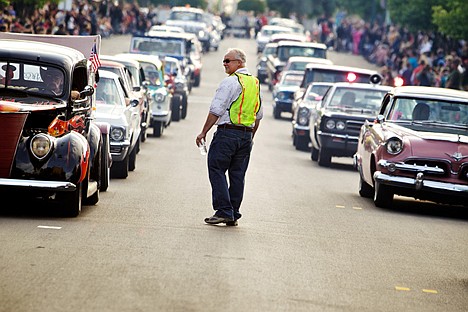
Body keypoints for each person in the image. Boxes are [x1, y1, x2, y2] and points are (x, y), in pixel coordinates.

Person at [195, 48, 263, 226]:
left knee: (216, 168)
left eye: (228, 61)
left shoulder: (230, 82)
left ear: (239, 63)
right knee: (237, 175)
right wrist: (250, 137)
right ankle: (233, 212)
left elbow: (216, 110)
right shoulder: (255, 83)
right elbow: (258, 115)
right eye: (224, 61)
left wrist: (204, 132)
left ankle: (224, 211)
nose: (224, 64)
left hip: (227, 133)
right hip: (246, 136)